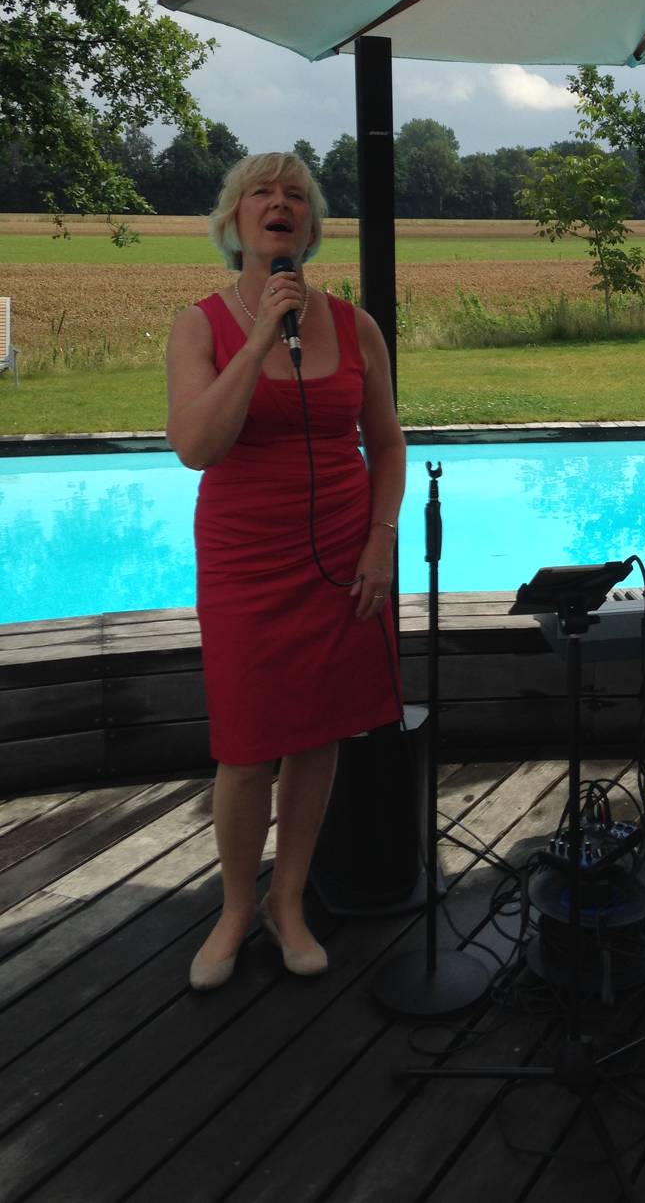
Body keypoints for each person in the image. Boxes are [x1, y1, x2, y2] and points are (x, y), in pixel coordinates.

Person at [166, 152, 406, 990]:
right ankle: (236, 907)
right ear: (234, 222)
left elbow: (388, 444)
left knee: (318, 734)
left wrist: (380, 539)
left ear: (309, 225)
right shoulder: (200, 325)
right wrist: (262, 334)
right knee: (245, 744)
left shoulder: (355, 324)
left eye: (295, 195)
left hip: (344, 554)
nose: (280, 203)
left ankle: (288, 900)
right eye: (262, 193)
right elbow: (198, 446)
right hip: (245, 559)